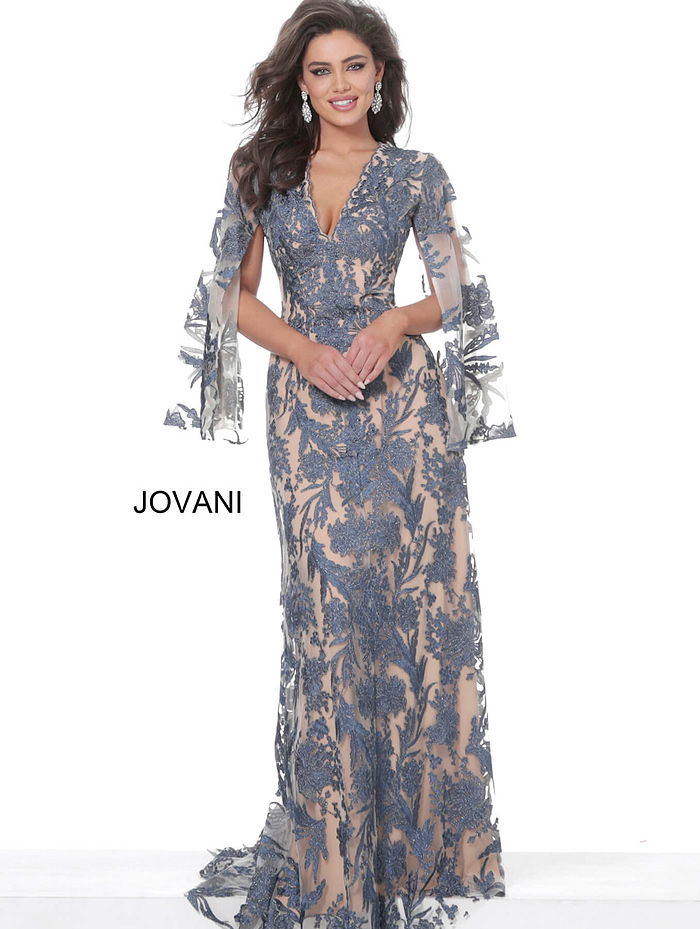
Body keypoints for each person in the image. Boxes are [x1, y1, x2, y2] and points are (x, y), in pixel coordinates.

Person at [164, 2, 516, 927]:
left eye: (354, 65)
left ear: (380, 75)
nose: (340, 84)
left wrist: (393, 320)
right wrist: (305, 351)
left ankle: (418, 845)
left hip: (404, 410)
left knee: (414, 611)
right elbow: (232, 295)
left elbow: (454, 292)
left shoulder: (415, 171)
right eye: (320, 70)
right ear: (300, 83)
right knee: (322, 614)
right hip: (306, 412)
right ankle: (331, 847)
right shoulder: (261, 170)